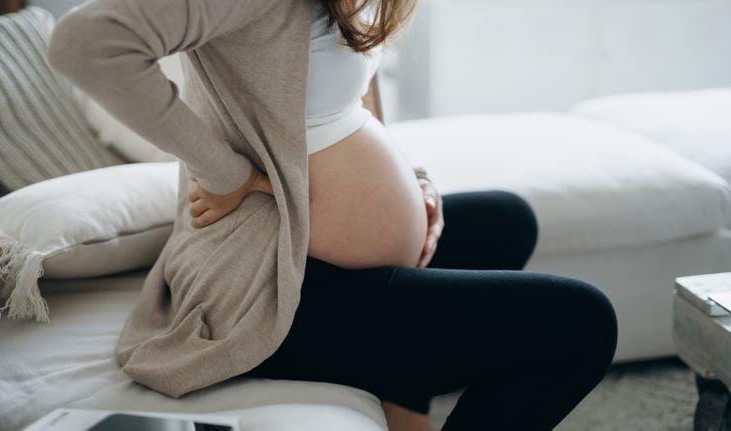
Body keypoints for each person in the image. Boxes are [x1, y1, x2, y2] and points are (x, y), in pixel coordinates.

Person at [48, 0, 618, 429]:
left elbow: (347, 104)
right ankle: (399, 382)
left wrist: (414, 186)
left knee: (508, 219)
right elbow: (87, 44)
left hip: (326, 258)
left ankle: (400, 398)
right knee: (583, 322)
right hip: (275, 286)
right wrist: (228, 175)